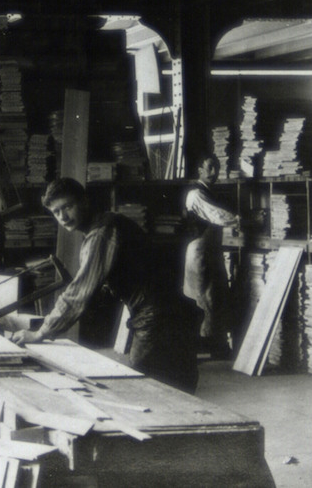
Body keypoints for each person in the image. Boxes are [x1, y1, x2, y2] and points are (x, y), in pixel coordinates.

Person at [12, 177, 199, 393]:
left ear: (84, 201)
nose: (63, 217)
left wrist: (40, 333)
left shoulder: (102, 233)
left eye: (68, 207)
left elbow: (78, 295)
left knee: (148, 390)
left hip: (158, 316)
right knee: (174, 387)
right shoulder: (107, 224)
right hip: (167, 312)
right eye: (56, 212)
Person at [183, 155, 239, 358]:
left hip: (212, 249)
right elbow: (216, 215)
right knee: (203, 297)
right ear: (199, 169)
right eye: (209, 168)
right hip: (199, 250)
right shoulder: (196, 194)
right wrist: (243, 221)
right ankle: (204, 344)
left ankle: (215, 344)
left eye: (217, 168)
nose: (214, 172)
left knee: (216, 295)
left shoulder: (209, 192)